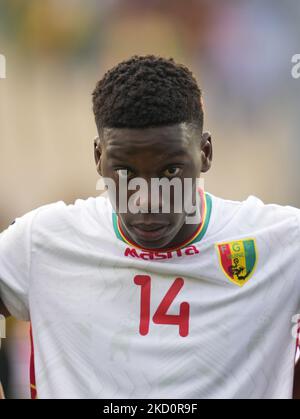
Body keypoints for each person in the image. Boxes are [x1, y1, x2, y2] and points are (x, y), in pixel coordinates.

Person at [0, 55, 299, 399]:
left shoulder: (280, 243)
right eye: (125, 172)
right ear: (99, 158)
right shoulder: (44, 241)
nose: (146, 199)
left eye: (170, 171)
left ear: (205, 152)